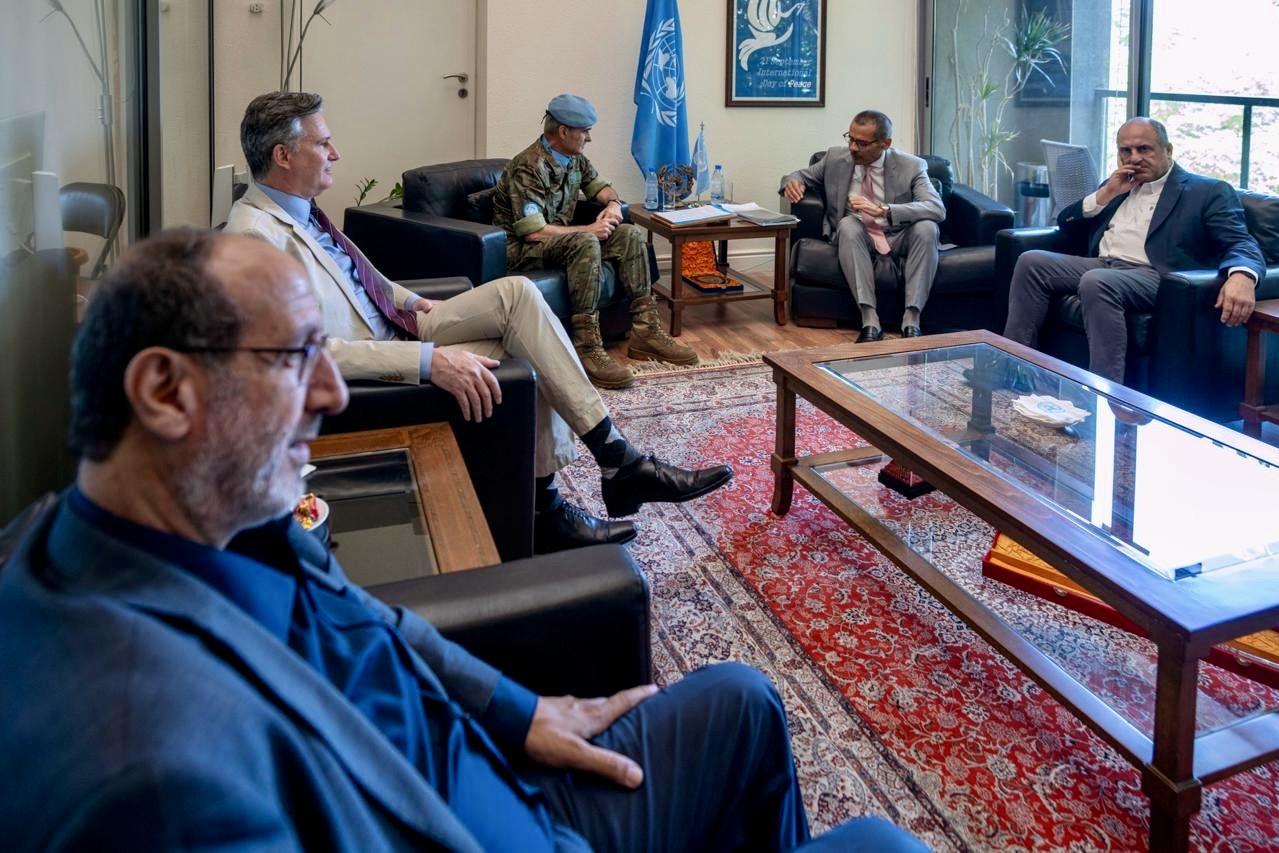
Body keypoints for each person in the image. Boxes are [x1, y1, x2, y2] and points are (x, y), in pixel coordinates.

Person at [0, 228, 926, 853]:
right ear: (166, 392)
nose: (330, 393)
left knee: (744, 699)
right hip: (481, 825)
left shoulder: (217, 522)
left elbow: (374, 623)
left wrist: (522, 713)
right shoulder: (150, 774)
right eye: (296, 358)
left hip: (492, 773)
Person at [226, 91, 731, 555]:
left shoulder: (303, 212)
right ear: (283, 155)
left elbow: (358, 279)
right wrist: (429, 361)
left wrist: (411, 299)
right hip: (379, 364)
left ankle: (609, 465)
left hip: (401, 322)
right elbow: (304, 353)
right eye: (323, 143)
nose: (335, 153)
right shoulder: (253, 239)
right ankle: (576, 492)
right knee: (530, 348)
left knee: (519, 295)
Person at [1003, 117, 1266, 383]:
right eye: (1126, 151)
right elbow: (1067, 225)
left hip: (1156, 274)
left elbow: (1240, 241)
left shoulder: (1207, 191)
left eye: (1144, 149)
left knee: (1097, 281)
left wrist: (1243, 276)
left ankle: (1105, 392)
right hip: (1104, 264)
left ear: (1168, 150)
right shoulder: (1116, 185)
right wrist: (1106, 193)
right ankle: (1014, 368)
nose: (1134, 158)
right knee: (1031, 262)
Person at [493, 93, 697, 389]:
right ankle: (587, 347)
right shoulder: (528, 167)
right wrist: (589, 230)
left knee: (628, 234)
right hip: (520, 250)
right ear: (563, 131)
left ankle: (646, 332)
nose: (589, 138)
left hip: (558, 243)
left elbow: (602, 189)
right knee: (586, 242)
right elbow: (533, 232)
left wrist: (613, 205)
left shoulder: (575, 160)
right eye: (585, 132)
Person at [781, 110, 945, 342]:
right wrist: (792, 182)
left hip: (898, 234)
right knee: (848, 224)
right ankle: (870, 320)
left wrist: (885, 210)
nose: (853, 147)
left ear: (885, 144)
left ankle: (912, 320)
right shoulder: (835, 158)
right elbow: (797, 175)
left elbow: (936, 208)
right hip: (858, 234)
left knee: (927, 228)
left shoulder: (911, 166)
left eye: (862, 143)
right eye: (851, 138)